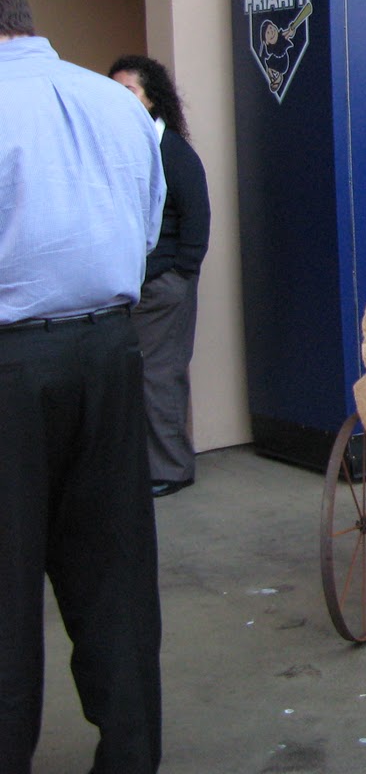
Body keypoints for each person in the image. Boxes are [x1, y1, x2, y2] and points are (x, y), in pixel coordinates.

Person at [0, 0, 166, 771]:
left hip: (11, 364)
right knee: (114, 571)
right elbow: (145, 226)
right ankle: (131, 754)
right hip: (108, 349)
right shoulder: (116, 105)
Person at [110, 55, 212, 498]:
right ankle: (146, 465)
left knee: (160, 376)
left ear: (152, 98)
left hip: (163, 285)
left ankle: (171, 469)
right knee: (131, 378)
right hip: (129, 286)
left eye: (128, 89)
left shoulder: (173, 152)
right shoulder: (119, 147)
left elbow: (197, 219)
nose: (119, 98)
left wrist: (179, 272)